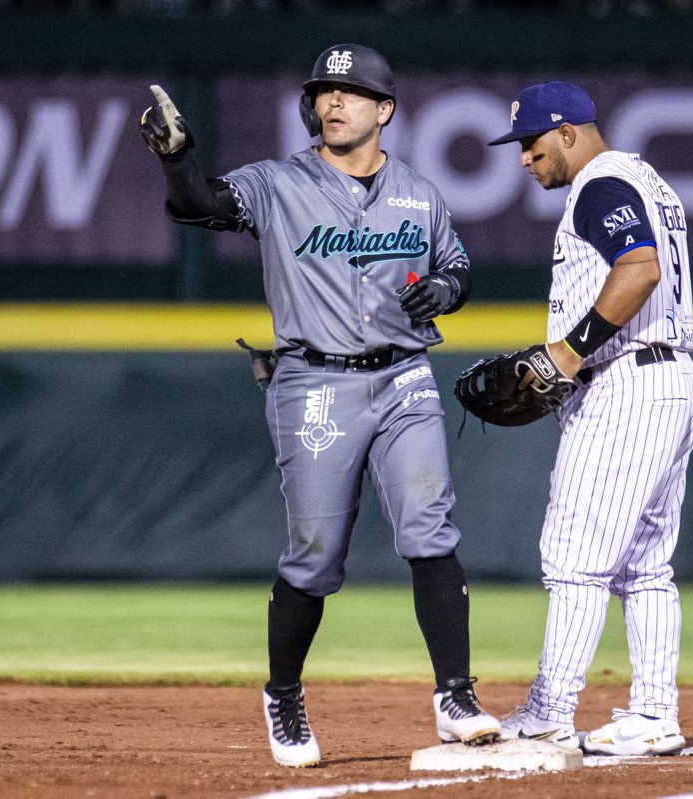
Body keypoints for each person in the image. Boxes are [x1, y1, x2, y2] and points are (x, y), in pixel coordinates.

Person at [139, 43, 500, 768]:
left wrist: (446, 292)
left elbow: (457, 266)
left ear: (384, 111)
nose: (332, 102)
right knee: (314, 556)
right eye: (324, 91)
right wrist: (177, 159)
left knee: (430, 527)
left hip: (404, 376)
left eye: (350, 92)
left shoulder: (418, 193)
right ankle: (284, 693)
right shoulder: (277, 182)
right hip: (314, 382)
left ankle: (455, 694)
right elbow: (202, 204)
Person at [486, 81, 693, 756]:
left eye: (530, 143)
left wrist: (569, 349)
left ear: (568, 132)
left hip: (628, 383)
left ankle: (551, 708)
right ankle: (653, 714)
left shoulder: (601, 184)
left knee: (574, 558)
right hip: (669, 380)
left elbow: (637, 269)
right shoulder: (644, 178)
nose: (524, 159)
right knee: (644, 566)